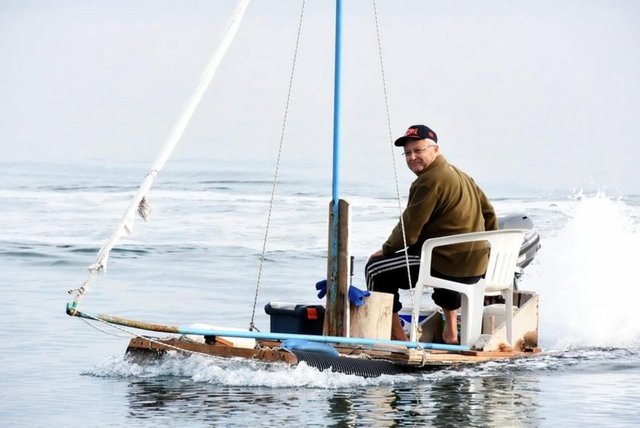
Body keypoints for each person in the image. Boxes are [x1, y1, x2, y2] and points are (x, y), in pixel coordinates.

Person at [366, 124, 498, 344]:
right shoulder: (460, 175)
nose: (412, 157)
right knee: (439, 251)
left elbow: (409, 229)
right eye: (407, 153)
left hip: (448, 266)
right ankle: (451, 333)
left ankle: (397, 338)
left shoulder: (429, 180)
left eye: (418, 150)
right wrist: (490, 252)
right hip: (475, 266)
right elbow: (489, 214)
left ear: (435, 149)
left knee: (376, 268)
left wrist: (387, 249)